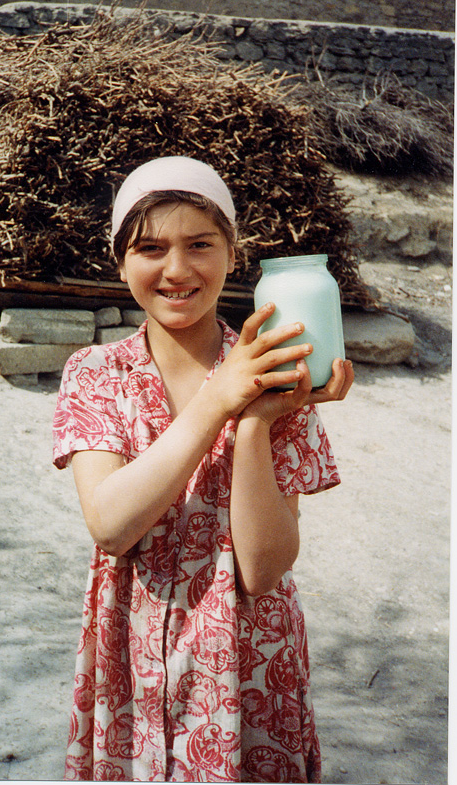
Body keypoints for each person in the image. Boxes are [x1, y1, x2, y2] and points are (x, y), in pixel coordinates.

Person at [52, 156, 354, 783]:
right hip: (131, 656)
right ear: (120, 260)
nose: (177, 270)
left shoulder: (278, 374)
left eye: (199, 245)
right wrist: (220, 399)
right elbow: (111, 524)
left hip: (249, 663)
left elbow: (264, 568)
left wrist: (255, 422)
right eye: (151, 248)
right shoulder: (95, 374)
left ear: (232, 253)